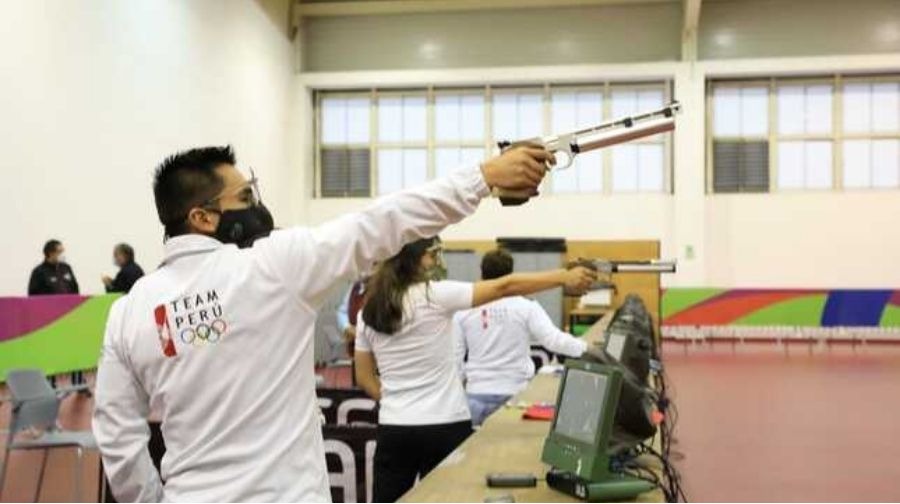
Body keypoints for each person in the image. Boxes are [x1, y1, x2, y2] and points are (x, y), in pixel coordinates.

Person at [92, 143, 553, 502]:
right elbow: (382, 222)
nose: (257, 206)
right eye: (246, 196)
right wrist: (483, 177)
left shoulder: (128, 312)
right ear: (203, 217)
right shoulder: (272, 266)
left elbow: (117, 436)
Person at [354, 237, 596, 502]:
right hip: (445, 425)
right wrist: (563, 276)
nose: (435, 261)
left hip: (395, 427)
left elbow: (364, 377)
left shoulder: (369, 311)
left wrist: (395, 402)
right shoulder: (435, 294)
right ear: (420, 258)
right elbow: (507, 285)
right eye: (432, 255)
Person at [454, 249, 589, 426]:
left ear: (481, 273)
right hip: (515, 397)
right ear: (512, 275)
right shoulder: (526, 307)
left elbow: (454, 360)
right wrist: (586, 347)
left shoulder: (464, 311)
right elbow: (553, 340)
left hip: (475, 396)